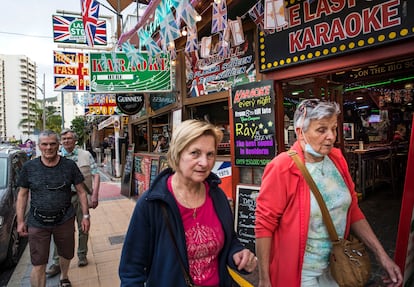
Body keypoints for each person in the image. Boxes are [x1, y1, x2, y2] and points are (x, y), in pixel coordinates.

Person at [255, 99, 403, 287]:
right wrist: (264, 279)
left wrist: (382, 255)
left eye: (333, 128)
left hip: (337, 266)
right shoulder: (282, 167)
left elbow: (353, 210)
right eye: (321, 129)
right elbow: (264, 225)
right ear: (300, 132)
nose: (331, 136)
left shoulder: (336, 159)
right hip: (301, 273)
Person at [119, 119, 257, 286]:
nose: (205, 163)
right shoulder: (152, 204)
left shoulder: (217, 195)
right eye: (195, 153)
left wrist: (238, 253)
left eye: (210, 154)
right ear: (178, 153)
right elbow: (131, 270)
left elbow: (229, 241)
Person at [16, 130, 90, 287]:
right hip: (37, 222)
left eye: (52, 144)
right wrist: (21, 221)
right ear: (39, 146)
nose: (48, 147)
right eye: (44, 144)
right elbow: (22, 195)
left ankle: (64, 277)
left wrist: (85, 216)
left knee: (66, 253)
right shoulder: (29, 167)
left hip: (64, 219)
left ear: (58, 145)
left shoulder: (69, 166)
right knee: (38, 262)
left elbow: (82, 191)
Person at [46, 129, 100, 277]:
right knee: (58, 230)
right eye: (64, 139)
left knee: (84, 226)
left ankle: (82, 255)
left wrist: (95, 194)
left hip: (80, 196)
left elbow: (96, 174)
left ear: (75, 140)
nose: (66, 141)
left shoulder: (85, 155)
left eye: (69, 138)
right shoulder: (56, 156)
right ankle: (57, 262)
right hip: (61, 199)